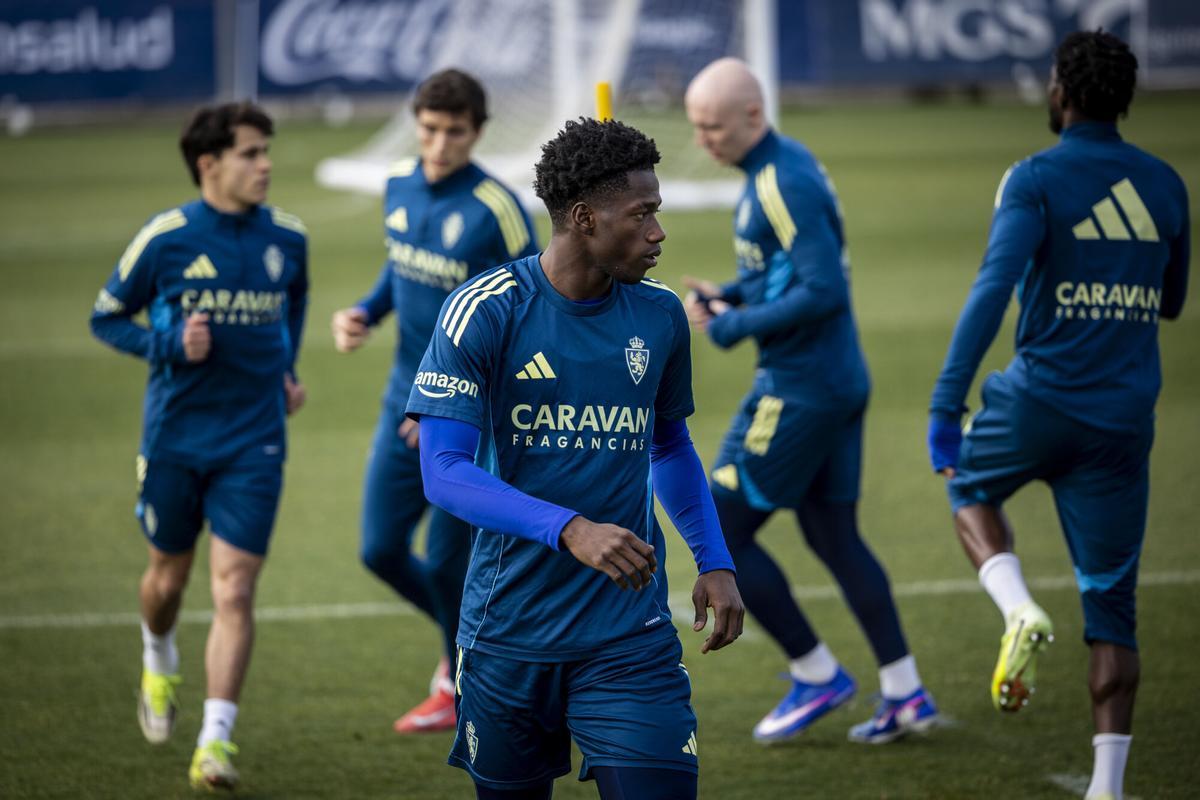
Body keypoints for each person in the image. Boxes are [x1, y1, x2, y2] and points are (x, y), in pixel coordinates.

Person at [405, 117, 744, 799]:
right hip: (508, 633)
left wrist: (714, 558)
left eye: (658, 212)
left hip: (629, 634)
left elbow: (668, 444)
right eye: (641, 214)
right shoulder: (485, 310)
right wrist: (570, 528)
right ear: (585, 218)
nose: (658, 232)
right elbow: (443, 473)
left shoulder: (660, 316)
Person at [928, 30, 1188, 800]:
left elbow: (992, 287)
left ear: (1061, 92)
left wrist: (947, 403)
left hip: (1036, 400)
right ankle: (1107, 787)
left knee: (967, 486)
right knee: (1114, 610)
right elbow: (1170, 302)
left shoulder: (1035, 177)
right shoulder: (1166, 184)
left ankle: (1017, 611)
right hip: (1123, 423)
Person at [682, 57, 937, 744]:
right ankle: (906, 691)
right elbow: (783, 269)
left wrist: (730, 326)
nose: (702, 140)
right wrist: (732, 294)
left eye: (711, 126)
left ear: (753, 116)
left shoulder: (782, 180)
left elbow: (824, 289)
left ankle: (816, 673)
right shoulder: (778, 169)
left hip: (801, 389)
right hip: (832, 381)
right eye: (696, 127)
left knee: (721, 532)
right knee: (833, 536)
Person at [89, 102, 309, 791]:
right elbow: (105, 317)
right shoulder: (167, 237)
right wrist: (167, 344)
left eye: (266, 150)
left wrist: (287, 372)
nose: (265, 163)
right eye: (250, 153)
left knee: (235, 589)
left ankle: (214, 743)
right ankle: (158, 656)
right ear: (209, 164)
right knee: (167, 583)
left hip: (255, 443)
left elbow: (293, 305)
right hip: (176, 441)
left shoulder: (290, 239)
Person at [330, 68, 538, 734]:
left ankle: (460, 676)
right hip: (404, 403)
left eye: (453, 132)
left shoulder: (499, 210)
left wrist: (458, 406)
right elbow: (402, 263)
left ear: (476, 133)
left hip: (470, 420)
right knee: (380, 550)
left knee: (449, 560)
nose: (438, 144)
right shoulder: (397, 183)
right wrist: (366, 310)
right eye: (428, 129)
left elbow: (529, 316)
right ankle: (482, 647)